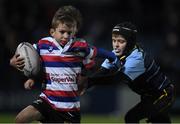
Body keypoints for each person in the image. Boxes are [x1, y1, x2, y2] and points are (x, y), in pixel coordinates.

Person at [10, 5, 119, 123]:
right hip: (47, 101)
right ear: (52, 32)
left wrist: (114, 57)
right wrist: (14, 63)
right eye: (62, 32)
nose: (66, 36)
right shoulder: (43, 44)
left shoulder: (80, 47)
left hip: (69, 107)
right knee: (20, 119)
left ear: (74, 32)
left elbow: (99, 52)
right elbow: (29, 59)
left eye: (69, 33)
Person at [79, 22, 175, 123]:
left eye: (121, 41)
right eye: (114, 40)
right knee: (156, 120)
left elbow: (117, 78)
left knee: (132, 117)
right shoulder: (115, 54)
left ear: (130, 42)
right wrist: (85, 85)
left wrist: (88, 81)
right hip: (149, 97)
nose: (116, 45)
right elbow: (103, 71)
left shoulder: (137, 58)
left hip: (163, 94)